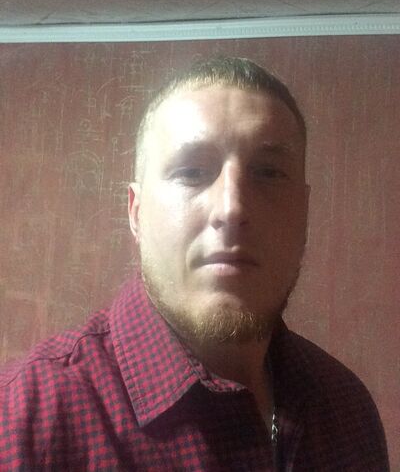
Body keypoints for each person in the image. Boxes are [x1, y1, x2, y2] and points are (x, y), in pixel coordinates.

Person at [0, 57, 389, 471]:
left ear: (305, 211)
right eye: (191, 171)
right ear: (136, 213)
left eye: (269, 173)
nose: (232, 208)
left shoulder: (347, 406)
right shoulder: (22, 424)